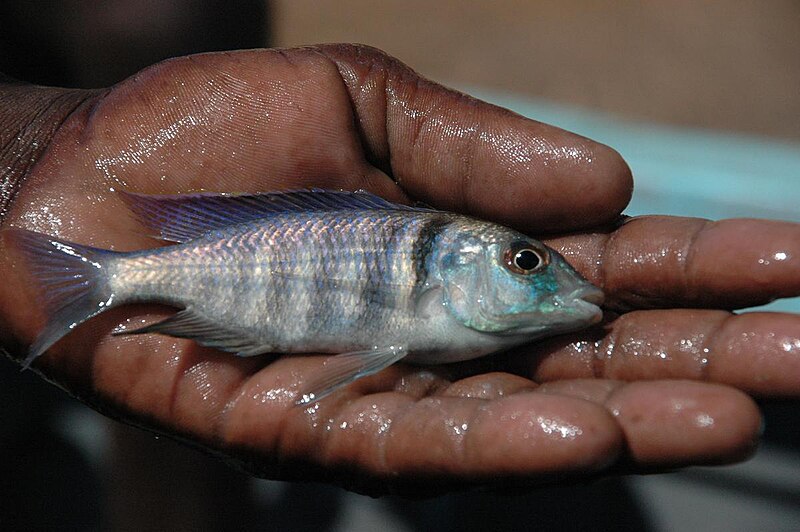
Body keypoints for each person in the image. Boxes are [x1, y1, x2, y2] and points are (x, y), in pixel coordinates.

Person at [0, 44, 797, 496]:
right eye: (525, 263)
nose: (553, 282)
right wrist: (27, 160)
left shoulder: (446, 299)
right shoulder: (430, 294)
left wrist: (33, 147)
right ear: (463, 264)